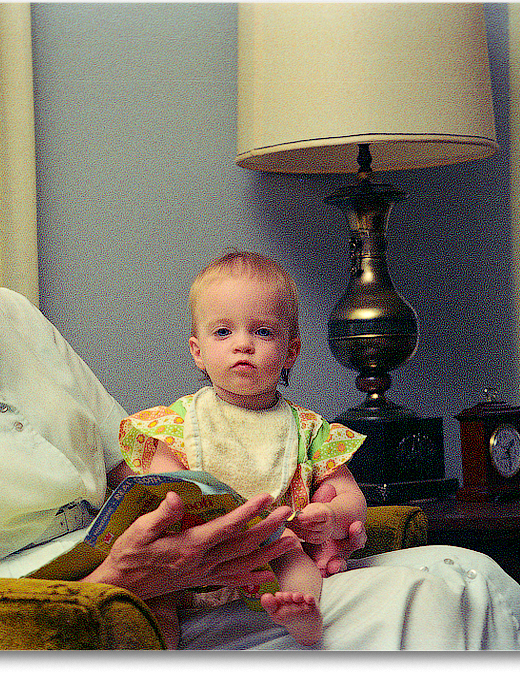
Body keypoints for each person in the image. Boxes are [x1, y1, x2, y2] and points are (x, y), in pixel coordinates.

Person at [0, 78, 520, 650]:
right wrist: (118, 585)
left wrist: (256, 530)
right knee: (441, 596)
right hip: (71, 636)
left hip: (183, 603)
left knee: (461, 575)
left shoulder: (5, 315)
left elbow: (139, 469)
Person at [118, 251, 367, 647]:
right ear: (197, 351)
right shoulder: (177, 423)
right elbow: (156, 486)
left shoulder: (308, 429)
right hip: (193, 558)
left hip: (273, 547)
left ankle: (302, 614)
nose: (243, 345)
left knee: (296, 561)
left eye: (263, 332)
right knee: (154, 596)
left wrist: (331, 515)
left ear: (291, 351)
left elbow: (350, 493)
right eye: (223, 333)